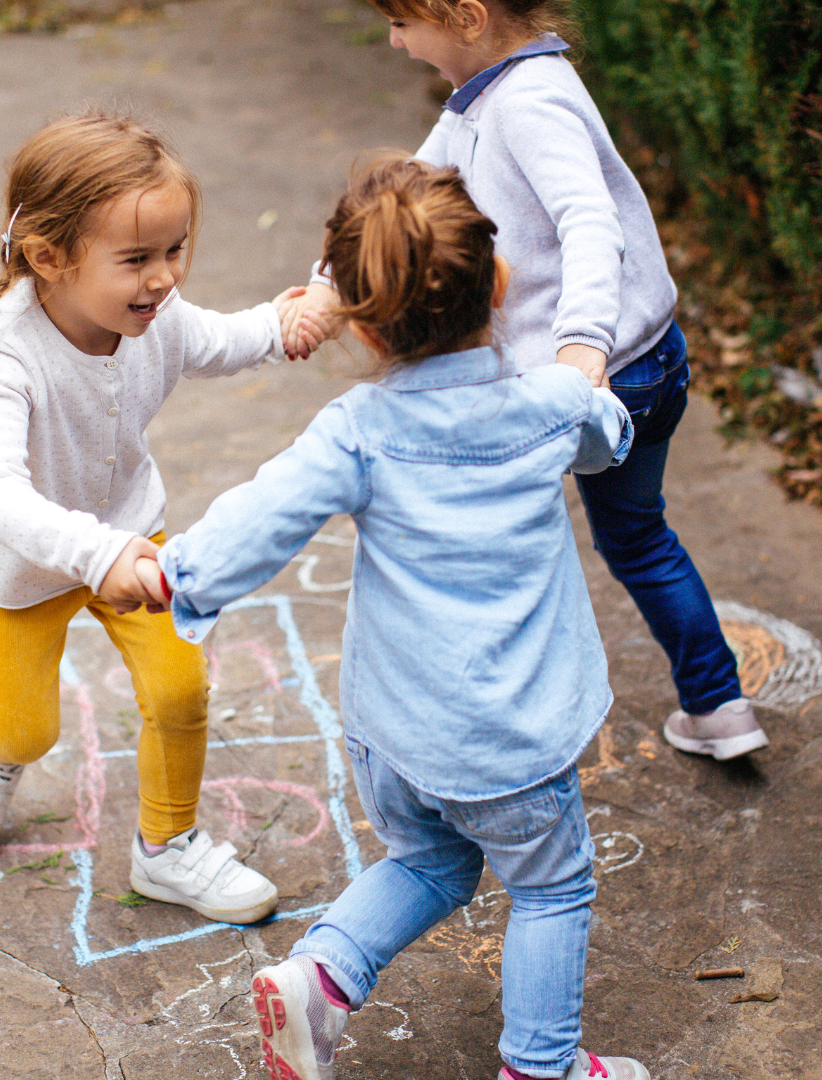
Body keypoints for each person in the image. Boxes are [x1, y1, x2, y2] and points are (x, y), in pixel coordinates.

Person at [135, 157, 648, 1080]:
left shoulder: (361, 428)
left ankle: (322, 978)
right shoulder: (547, 408)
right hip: (513, 742)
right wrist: (585, 377)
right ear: (499, 283)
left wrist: (180, 572)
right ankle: (542, 1066)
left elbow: (265, 513)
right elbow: (608, 436)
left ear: (362, 327)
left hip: (396, 735)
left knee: (431, 863)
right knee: (552, 886)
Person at [281, 0, 768, 762]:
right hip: (647, 357)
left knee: (503, 542)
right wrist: (325, 284)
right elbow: (403, 199)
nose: (392, 39)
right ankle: (719, 707)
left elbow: (589, 221)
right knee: (639, 538)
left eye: (404, 23)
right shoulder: (487, 95)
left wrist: (582, 347)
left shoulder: (531, 102)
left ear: (467, 17)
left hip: (601, 377)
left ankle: (504, 726)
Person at [0, 112, 326, 923]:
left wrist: (283, 326)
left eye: (175, 250)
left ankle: (166, 849)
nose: (165, 278)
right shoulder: (9, 359)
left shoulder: (157, 315)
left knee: (180, 691)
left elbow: (219, 338)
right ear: (48, 258)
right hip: (29, 568)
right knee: (28, 728)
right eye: (137, 259)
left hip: (135, 539)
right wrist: (94, 554)